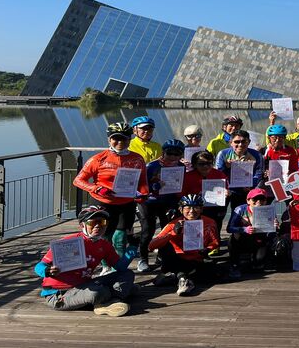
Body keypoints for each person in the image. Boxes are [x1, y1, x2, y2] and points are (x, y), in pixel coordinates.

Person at [35, 206, 137, 316]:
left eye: (102, 222)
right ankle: (113, 297)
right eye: (92, 223)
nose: (98, 226)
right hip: (59, 294)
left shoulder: (104, 245)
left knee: (128, 274)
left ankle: (108, 302)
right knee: (99, 292)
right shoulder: (68, 243)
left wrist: (132, 247)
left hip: (84, 285)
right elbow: (39, 266)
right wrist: (48, 270)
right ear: (82, 225)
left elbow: (120, 268)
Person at [72, 122, 148, 256]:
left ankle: (118, 265)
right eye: (116, 138)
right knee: (103, 237)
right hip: (102, 203)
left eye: (124, 138)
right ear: (109, 139)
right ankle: (105, 267)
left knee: (120, 237)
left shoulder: (137, 158)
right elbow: (78, 180)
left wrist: (143, 193)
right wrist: (96, 188)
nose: (120, 142)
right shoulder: (98, 159)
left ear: (129, 139)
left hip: (126, 204)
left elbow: (142, 181)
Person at [149, 194, 220, 297]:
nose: (191, 211)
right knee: (165, 246)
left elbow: (215, 242)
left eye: (196, 207)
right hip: (176, 259)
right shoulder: (173, 224)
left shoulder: (210, 222)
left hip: (195, 259)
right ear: (181, 209)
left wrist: (207, 249)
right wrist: (172, 233)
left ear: (201, 209)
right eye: (187, 207)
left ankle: (177, 277)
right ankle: (183, 278)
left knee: (215, 273)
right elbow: (151, 246)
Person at [137, 138, 186, 272]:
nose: (173, 157)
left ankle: (162, 255)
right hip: (150, 201)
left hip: (169, 201)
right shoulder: (151, 166)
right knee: (148, 230)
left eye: (177, 154)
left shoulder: (181, 166)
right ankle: (143, 258)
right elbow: (140, 187)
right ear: (163, 152)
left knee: (168, 230)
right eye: (170, 153)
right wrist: (155, 186)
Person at [226, 188, 280, 279]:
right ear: (248, 200)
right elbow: (229, 228)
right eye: (255, 199)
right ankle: (234, 264)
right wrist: (244, 229)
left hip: (259, 239)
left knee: (259, 263)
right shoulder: (239, 209)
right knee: (233, 237)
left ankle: (255, 260)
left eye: (262, 199)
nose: (259, 202)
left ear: (266, 201)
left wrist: (275, 227)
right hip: (243, 238)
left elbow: (272, 234)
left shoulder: (269, 211)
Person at [215, 129, 264, 211]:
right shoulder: (223, 154)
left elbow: (258, 173)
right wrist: (226, 167)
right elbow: (217, 174)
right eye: (237, 142)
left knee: (240, 214)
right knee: (219, 215)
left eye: (244, 141)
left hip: (245, 190)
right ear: (231, 143)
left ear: (249, 142)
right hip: (226, 190)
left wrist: (250, 185)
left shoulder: (257, 155)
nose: (240, 144)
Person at [181, 150, 229, 227]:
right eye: (201, 164)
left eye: (209, 163)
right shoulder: (187, 177)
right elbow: (180, 195)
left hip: (214, 208)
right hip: (194, 209)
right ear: (194, 165)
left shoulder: (220, 175)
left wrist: (227, 193)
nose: (205, 166)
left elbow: (226, 189)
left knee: (215, 228)